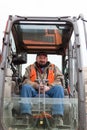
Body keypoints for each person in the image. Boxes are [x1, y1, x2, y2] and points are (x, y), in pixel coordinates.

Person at [20, 52, 64, 126]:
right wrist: (36, 85)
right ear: (36, 59)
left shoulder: (54, 68)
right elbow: (25, 80)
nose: (42, 60)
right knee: (25, 87)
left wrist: (49, 87)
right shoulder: (30, 68)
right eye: (40, 58)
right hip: (34, 91)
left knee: (59, 88)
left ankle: (58, 117)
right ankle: (25, 116)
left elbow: (60, 79)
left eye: (44, 58)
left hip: (49, 90)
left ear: (47, 59)